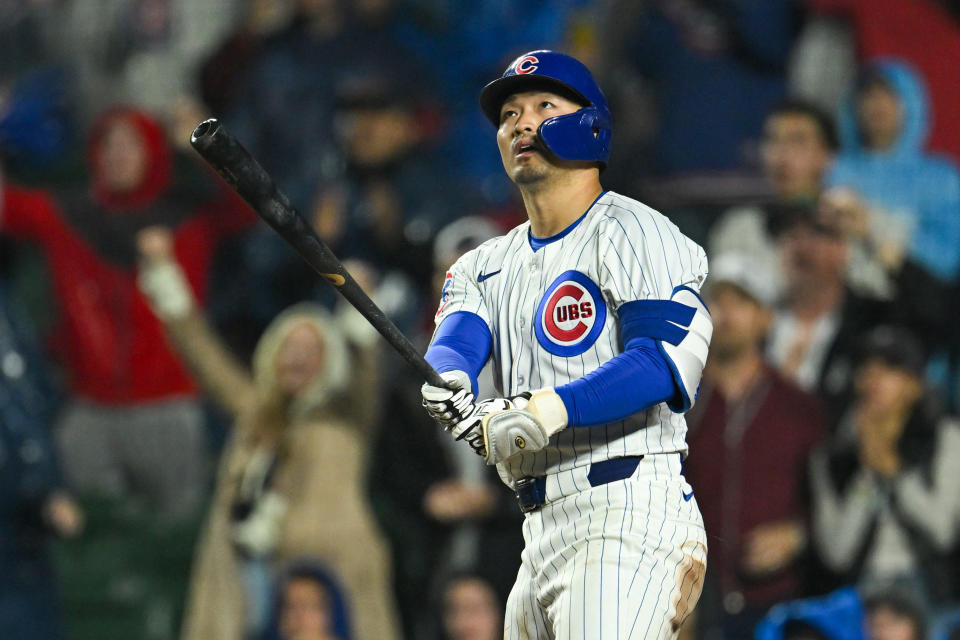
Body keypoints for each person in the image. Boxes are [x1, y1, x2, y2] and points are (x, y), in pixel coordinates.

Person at [419, 50, 712, 639]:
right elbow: (453, 346)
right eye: (509, 114)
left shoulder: (636, 229)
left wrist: (544, 411)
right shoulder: (483, 264)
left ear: (592, 125)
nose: (522, 123)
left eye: (544, 106)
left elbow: (661, 363)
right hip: (539, 528)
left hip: (625, 511)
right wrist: (450, 384)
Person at [136, 230, 401, 640]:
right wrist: (162, 271)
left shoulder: (347, 418)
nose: (298, 356)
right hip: (253, 579)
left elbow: (367, 366)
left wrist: (358, 301)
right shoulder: (253, 410)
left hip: (337, 579)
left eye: (311, 349)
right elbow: (202, 354)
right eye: (289, 346)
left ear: (328, 361)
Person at [684, 253, 825, 639]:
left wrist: (797, 536)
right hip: (691, 603)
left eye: (742, 302)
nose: (727, 313)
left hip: (777, 604)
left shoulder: (799, 407)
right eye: (718, 300)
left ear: (766, 317)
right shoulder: (676, 402)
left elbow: (827, 503)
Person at [808, 326, 960, 606]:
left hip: (926, 590)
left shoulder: (945, 439)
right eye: (866, 366)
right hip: (858, 592)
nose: (873, 376)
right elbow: (837, 553)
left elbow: (942, 532)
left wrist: (893, 471)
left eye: (890, 367)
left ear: (914, 385)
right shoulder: (831, 457)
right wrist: (867, 474)